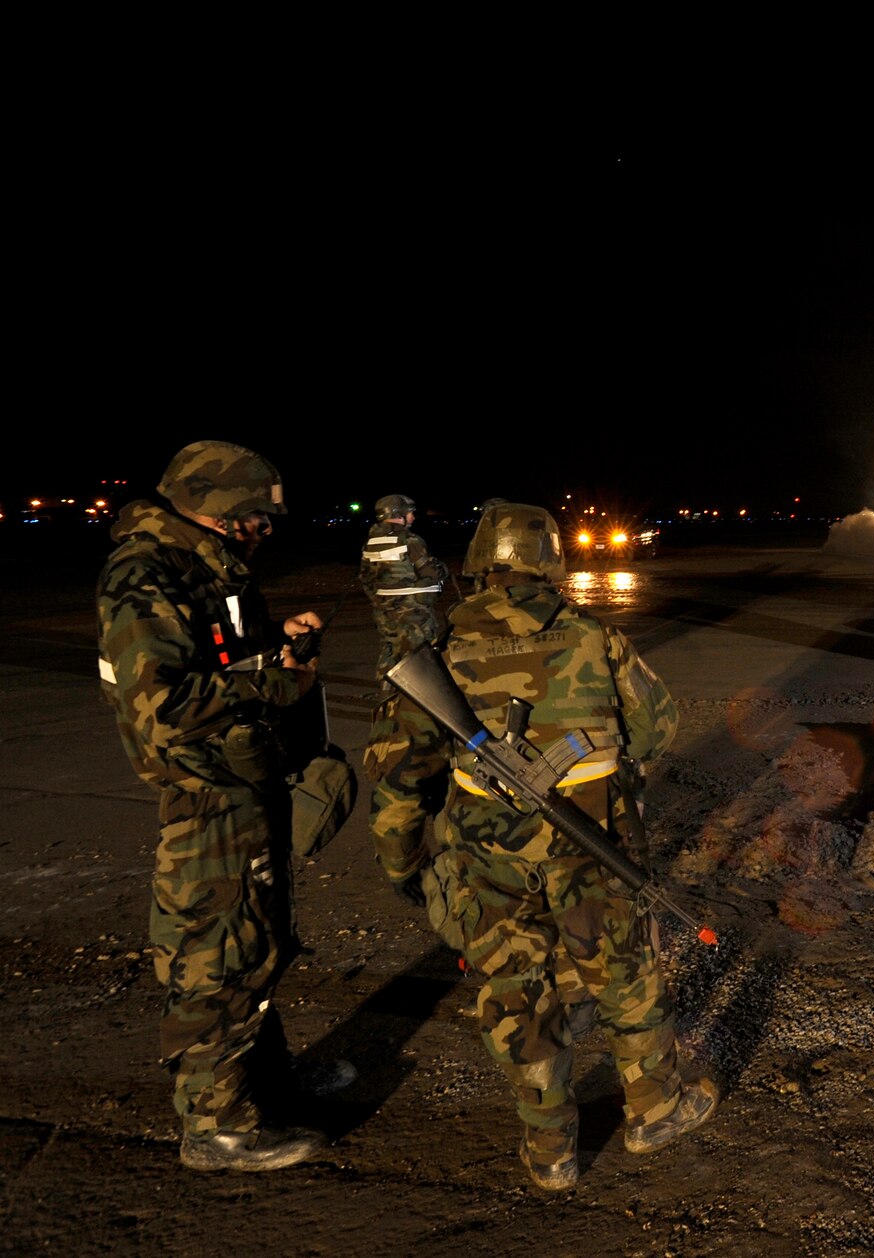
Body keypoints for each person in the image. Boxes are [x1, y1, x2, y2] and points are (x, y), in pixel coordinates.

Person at [366, 501, 716, 1191]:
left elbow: (398, 773)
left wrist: (404, 862)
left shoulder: (439, 650)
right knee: (623, 972)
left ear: (476, 566)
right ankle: (655, 1109)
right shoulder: (594, 637)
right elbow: (656, 730)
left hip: (487, 852)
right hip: (592, 842)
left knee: (515, 987)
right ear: (550, 563)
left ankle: (551, 1150)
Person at [96, 440, 354, 1172]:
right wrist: (276, 685)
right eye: (254, 518)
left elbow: (215, 664)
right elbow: (165, 704)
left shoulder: (207, 570)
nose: (263, 532)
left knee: (258, 940)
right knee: (217, 953)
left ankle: (264, 1084)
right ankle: (218, 1124)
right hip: (206, 794)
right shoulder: (147, 576)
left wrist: (278, 649)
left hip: (244, 781)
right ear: (215, 509)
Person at [357, 493, 449, 687]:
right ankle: (419, 705)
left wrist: (381, 602)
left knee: (389, 653)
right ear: (400, 514)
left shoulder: (371, 542)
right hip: (413, 614)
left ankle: (386, 699)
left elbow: (365, 578)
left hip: (384, 613)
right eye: (410, 513)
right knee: (421, 658)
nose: (413, 517)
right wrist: (442, 569)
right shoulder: (410, 540)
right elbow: (430, 572)